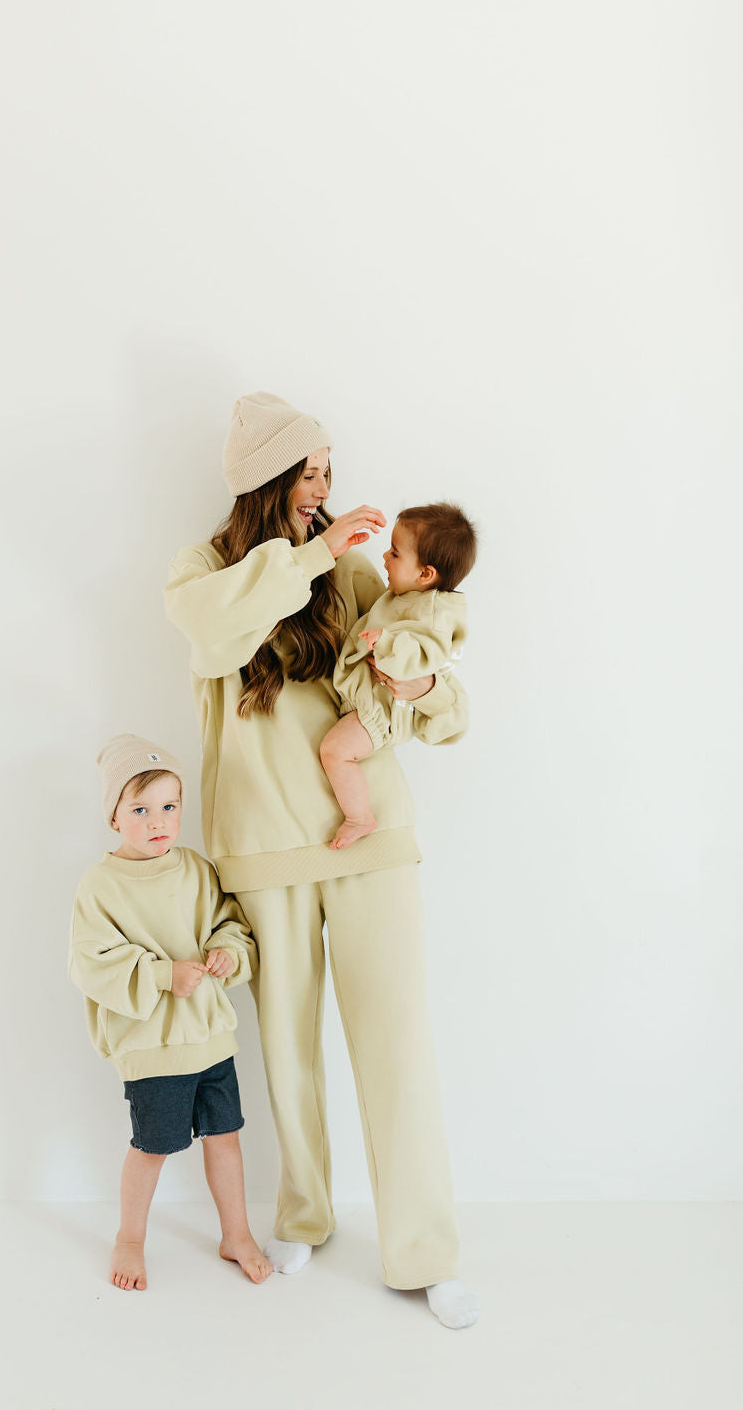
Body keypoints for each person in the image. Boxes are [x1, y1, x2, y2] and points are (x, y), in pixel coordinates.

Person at [164, 393, 480, 1329]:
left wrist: (421, 680)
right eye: (310, 472)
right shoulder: (204, 572)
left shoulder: (349, 578)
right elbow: (216, 633)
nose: (326, 491)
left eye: (330, 472)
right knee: (288, 1055)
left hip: (369, 836)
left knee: (397, 1046)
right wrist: (312, 551)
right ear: (265, 480)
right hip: (264, 850)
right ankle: (304, 1213)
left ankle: (427, 1250)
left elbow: (440, 704)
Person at [68, 733, 270, 1292]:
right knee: (152, 1146)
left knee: (225, 1136)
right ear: (114, 816)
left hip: (210, 1037)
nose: (158, 821)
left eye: (169, 806)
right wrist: (163, 974)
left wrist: (227, 951)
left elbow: (228, 918)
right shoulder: (101, 885)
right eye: (140, 809)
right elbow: (92, 962)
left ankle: (237, 1233)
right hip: (153, 1048)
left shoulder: (195, 869)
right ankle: (130, 1238)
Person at [321, 501, 476, 849]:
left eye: (394, 553)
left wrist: (387, 642)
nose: (385, 559)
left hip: (385, 712)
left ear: (425, 574)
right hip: (375, 703)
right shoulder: (407, 596)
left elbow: (424, 655)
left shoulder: (435, 613)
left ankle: (359, 817)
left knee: (335, 751)